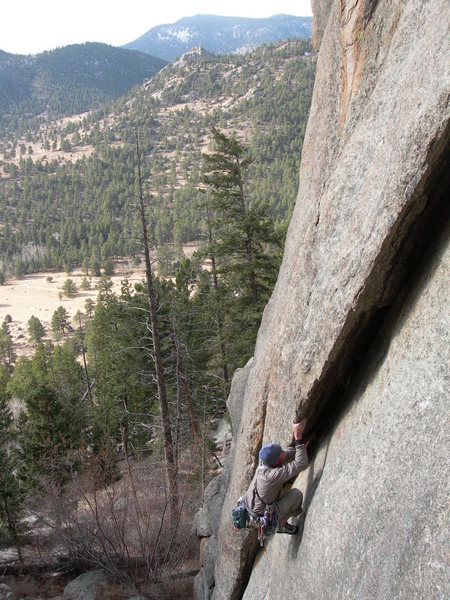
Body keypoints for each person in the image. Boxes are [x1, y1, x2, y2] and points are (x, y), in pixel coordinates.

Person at [243, 419, 308, 534]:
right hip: (263, 516)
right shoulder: (271, 476)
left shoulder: (265, 460)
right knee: (296, 495)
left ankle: (279, 518)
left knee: (287, 478)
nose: (284, 452)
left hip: (255, 505)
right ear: (276, 461)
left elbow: (285, 453)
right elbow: (301, 464)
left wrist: (300, 448)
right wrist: (297, 436)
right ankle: (280, 523)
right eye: (281, 453)